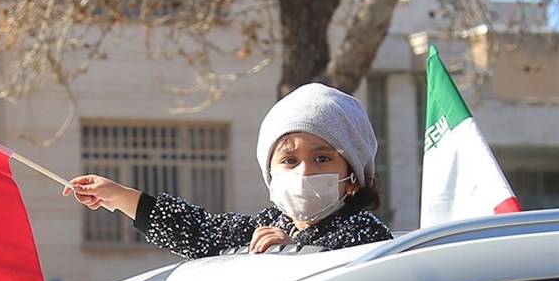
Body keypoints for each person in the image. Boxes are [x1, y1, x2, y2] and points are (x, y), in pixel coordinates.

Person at [63, 82, 393, 258]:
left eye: (322, 159)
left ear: (353, 178)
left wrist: (293, 254)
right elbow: (199, 232)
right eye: (289, 161)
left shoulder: (366, 237)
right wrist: (120, 197)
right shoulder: (265, 226)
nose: (304, 172)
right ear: (271, 176)